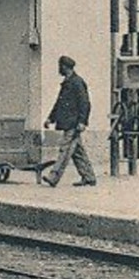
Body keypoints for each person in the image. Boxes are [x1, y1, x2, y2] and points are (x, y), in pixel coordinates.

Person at [43, 54, 97, 188]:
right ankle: (89, 177)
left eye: (60, 66)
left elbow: (85, 104)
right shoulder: (67, 82)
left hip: (73, 124)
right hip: (69, 123)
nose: (58, 69)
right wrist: (50, 118)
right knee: (78, 152)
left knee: (65, 150)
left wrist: (82, 122)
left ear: (65, 67)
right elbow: (59, 104)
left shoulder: (77, 82)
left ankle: (53, 177)